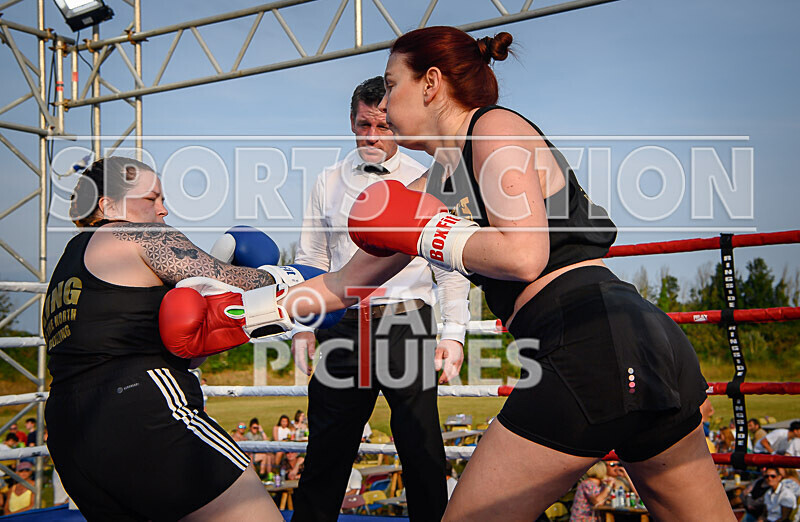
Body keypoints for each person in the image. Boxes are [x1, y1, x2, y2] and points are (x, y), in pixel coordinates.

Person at [161, 26, 734, 521]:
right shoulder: (439, 182)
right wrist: (248, 315)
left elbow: (523, 255)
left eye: (391, 84)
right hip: (636, 342)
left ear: (430, 83)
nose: (383, 104)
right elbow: (346, 283)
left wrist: (425, 233)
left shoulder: (494, 128)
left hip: (589, 342)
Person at [43, 157, 282, 521]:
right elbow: (233, 279)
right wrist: (282, 275)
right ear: (108, 206)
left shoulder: (68, 263)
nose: (163, 210)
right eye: (151, 199)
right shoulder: (137, 234)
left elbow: (180, 347)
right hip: (143, 410)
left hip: (69, 431)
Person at [290, 75, 470, 522]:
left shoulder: (428, 177)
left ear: (397, 123)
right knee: (326, 449)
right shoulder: (326, 181)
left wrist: (455, 333)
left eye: (382, 126)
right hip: (342, 323)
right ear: (351, 122)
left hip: (407, 321)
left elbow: (449, 262)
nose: (371, 136)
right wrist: (302, 326)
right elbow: (310, 258)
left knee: (421, 447)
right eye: (363, 125)